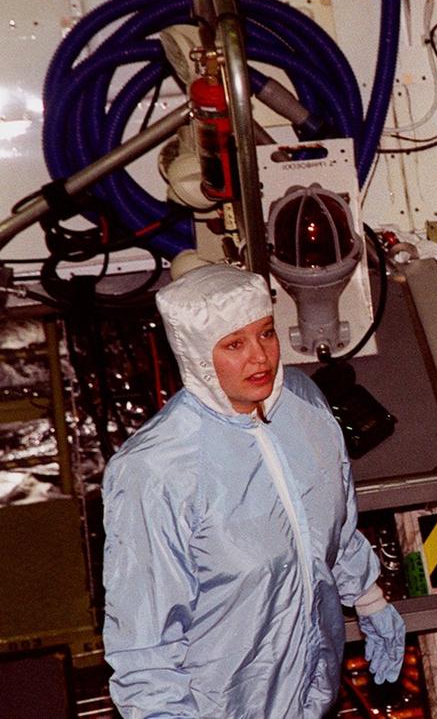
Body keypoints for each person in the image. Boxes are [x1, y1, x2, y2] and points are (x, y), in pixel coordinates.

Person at [102, 264, 405, 717]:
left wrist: (369, 598)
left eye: (266, 333)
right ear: (198, 356)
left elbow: (334, 524)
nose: (260, 358)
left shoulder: (304, 405)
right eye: (234, 344)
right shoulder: (155, 470)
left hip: (313, 691)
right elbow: (144, 642)